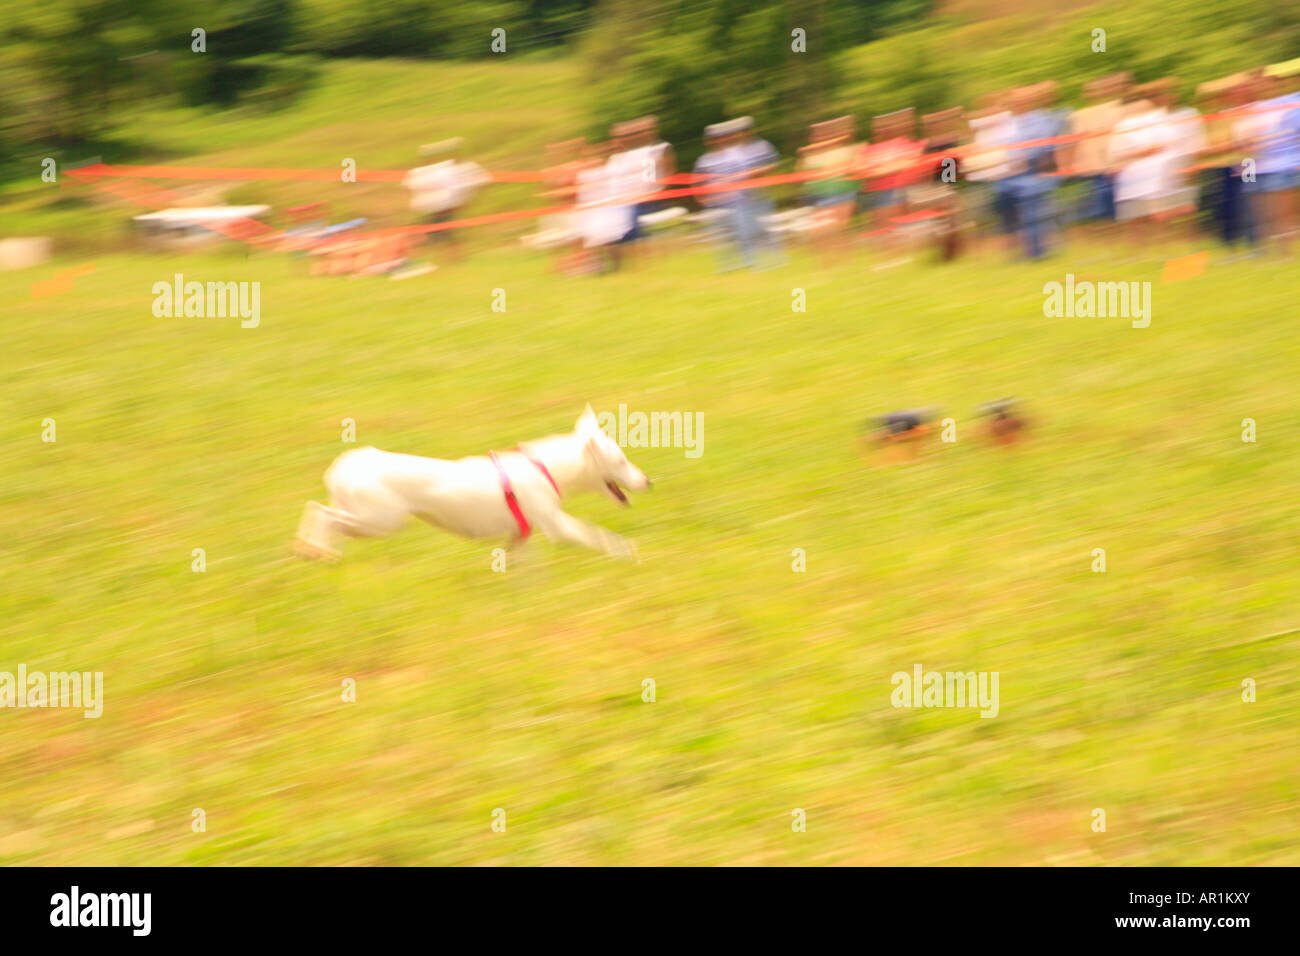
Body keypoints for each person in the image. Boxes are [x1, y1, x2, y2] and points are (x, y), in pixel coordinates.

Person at [400, 138, 489, 260]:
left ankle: (450, 258)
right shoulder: (431, 172)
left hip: (443, 209)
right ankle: (451, 258)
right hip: (436, 209)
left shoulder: (445, 171)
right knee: (439, 235)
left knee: (434, 234)